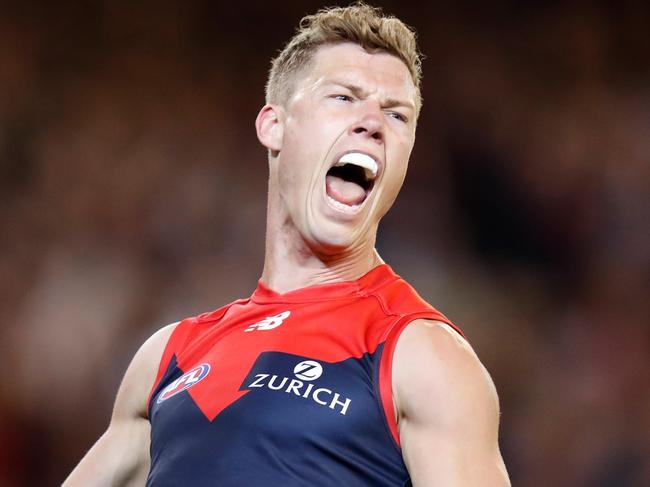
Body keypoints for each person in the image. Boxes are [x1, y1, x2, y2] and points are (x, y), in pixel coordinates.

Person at [64, 3, 510, 486]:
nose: (372, 123)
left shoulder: (421, 355)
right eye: (343, 97)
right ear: (272, 125)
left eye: (397, 115)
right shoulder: (169, 356)